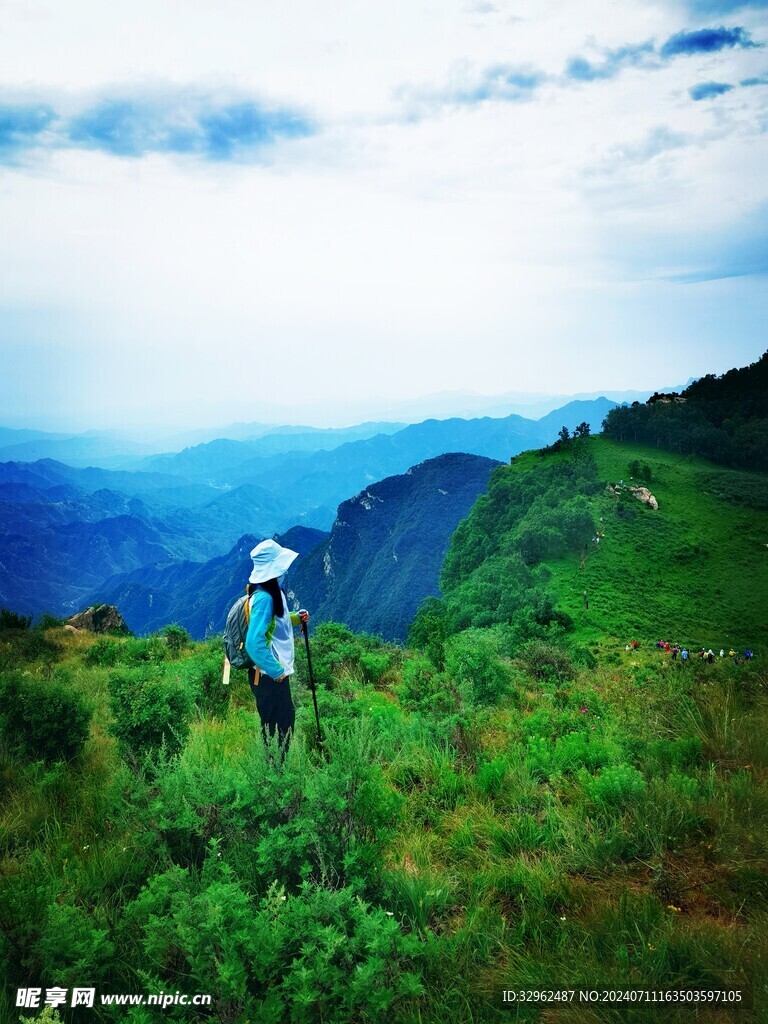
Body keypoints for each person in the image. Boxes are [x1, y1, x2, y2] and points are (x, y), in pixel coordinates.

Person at [244, 539, 309, 754]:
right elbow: (254, 643)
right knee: (277, 728)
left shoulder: (272, 591)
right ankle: (274, 775)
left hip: (272, 673)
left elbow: (276, 622)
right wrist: (276, 670)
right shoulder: (264, 598)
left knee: (284, 722)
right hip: (268, 675)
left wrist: (297, 619)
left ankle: (277, 771)